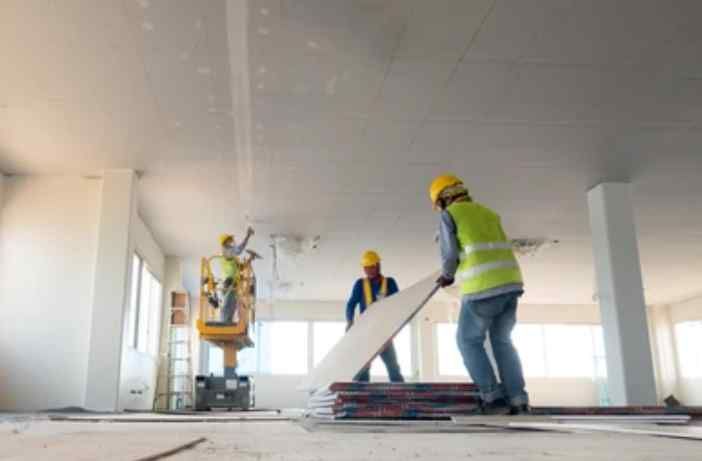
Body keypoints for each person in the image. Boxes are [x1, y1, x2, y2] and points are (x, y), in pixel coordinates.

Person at [430, 174, 530, 415]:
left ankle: (492, 397)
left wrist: (447, 275)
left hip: (483, 287)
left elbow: (449, 254)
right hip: (510, 284)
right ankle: (518, 400)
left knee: (467, 341)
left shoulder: (450, 215)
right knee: (502, 342)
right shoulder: (488, 212)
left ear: (444, 198)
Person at [345, 250, 405, 383]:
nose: (368, 270)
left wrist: (395, 327)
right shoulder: (360, 284)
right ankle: (362, 398)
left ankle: (401, 394)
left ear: (378, 265)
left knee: (392, 366)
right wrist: (349, 322)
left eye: (371, 266)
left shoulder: (390, 283)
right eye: (366, 267)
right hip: (365, 332)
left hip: (383, 332)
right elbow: (351, 304)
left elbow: (398, 305)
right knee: (363, 368)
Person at [215, 227, 255, 324]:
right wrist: (248, 236)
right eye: (230, 241)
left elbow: (240, 268)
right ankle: (224, 324)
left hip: (233, 283)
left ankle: (227, 323)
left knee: (231, 305)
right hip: (229, 283)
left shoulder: (232, 257)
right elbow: (238, 250)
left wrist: (250, 259)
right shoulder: (225, 251)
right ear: (225, 243)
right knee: (228, 305)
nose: (232, 242)